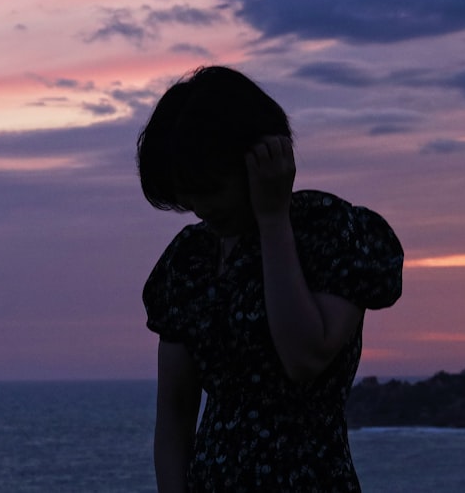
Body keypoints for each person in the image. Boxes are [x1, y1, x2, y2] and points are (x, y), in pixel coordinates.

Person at [139, 66, 403, 492]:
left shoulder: (329, 231)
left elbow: (304, 358)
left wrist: (273, 219)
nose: (195, 206)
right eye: (186, 192)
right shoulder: (188, 260)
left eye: (207, 188)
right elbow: (174, 415)